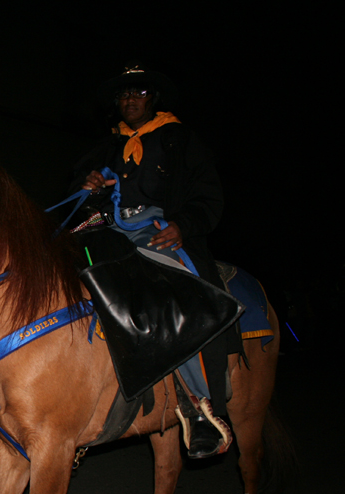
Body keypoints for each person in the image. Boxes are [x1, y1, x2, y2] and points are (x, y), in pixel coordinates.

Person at [73, 62, 241, 459]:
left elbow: (208, 195)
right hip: (107, 230)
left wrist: (183, 225)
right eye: (124, 95)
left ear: (154, 99)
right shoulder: (107, 145)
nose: (130, 100)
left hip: (159, 229)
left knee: (176, 294)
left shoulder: (180, 139)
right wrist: (88, 187)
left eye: (140, 93)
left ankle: (198, 405)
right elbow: (80, 189)